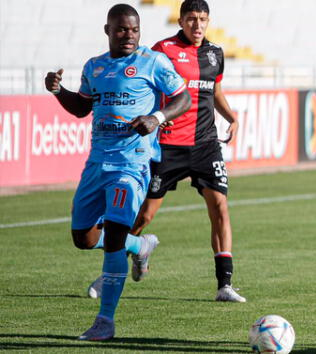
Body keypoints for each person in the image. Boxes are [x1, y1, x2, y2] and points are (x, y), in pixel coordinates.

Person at [44, 3, 191, 340]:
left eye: (134, 29)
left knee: (111, 237)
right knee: (84, 238)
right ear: (108, 30)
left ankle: (105, 321)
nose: (129, 35)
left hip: (132, 163)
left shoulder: (152, 62)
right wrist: (57, 91)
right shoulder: (94, 67)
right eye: (122, 29)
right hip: (97, 163)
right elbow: (82, 107)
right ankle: (138, 247)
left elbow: (182, 98)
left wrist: (156, 118)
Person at [109, 0, 242, 303]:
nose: (198, 25)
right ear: (181, 21)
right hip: (167, 145)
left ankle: (225, 284)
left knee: (220, 207)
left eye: (203, 19)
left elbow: (215, 90)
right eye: (192, 19)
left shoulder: (215, 54)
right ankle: (116, 268)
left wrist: (232, 117)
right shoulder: (162, 50)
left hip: (206, 145)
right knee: (143, 215)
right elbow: (144, 85)